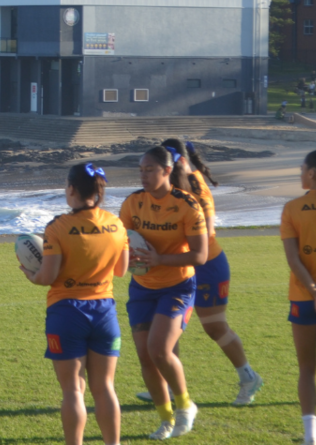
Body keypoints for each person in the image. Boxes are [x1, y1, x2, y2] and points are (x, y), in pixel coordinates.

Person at [22, 163, 128, 445]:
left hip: (67, 313)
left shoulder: (58, 227)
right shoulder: (117, 224)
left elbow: (47, 277)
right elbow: (121, 270)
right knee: (105, 388)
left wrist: (32, 276)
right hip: (105, 313)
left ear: (71, 189)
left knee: (73, 391)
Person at [159, 137, 263, 405]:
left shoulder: (194, 185)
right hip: (182, 264)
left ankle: (248, 377)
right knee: (168, 325)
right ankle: (169, 387)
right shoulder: (174, 183)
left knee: (215, 327)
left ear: (178, 162)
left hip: (207, 265)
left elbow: (203, 233)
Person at [119, 146, 208, 440]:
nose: (143, 175)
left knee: (159, 349)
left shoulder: (187, 205)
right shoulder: (132, 203)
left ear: (167, 171)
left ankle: (185, 406)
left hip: (177, 287)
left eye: (149, 170)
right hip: (142, 288)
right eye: (141, 170)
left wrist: (159, 260)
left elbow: (200, 255)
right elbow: (123, 244)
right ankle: (166, 419)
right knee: (146, 357)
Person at [283, 149, 316, 445]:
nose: (300, 173)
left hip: (303, 297)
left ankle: (310, 435)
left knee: (306, 369)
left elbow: (293, 259)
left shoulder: (292, 208)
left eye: (302, 169)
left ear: (312, 173)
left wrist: (315, 292)